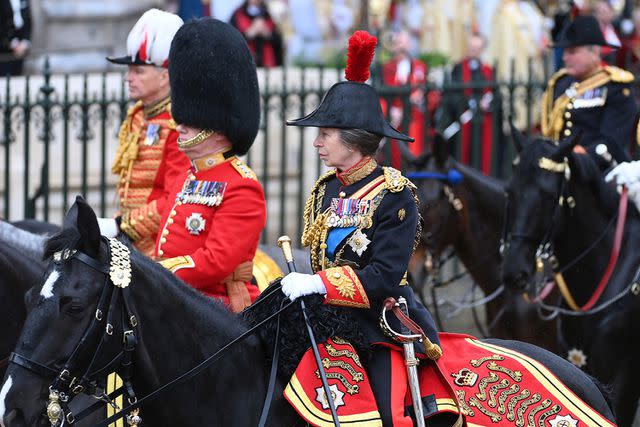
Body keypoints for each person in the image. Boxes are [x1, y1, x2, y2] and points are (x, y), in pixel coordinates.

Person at [282, 30, 444, 426]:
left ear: (353, 140)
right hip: (323, 316)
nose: (317, 143)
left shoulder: (395, 193)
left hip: (378, 323)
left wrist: (321, 284)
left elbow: (385, 277)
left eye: (325, 134)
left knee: (388, 416)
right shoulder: (326, 189)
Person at [154, 18, 265, 313]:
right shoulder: (186, 176)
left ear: (217, 127)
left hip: (216, 310)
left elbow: (216, 262)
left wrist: (157, 274)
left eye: (192, 120)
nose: (182, 126)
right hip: (175, 298)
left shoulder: (242, 185)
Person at [98, 9, 190, 257]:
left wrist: (121, 225)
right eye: (128, 70)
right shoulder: (138, 114)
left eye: (138, 71)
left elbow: (174, 197)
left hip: (163, 245)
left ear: (164, 76)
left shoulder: (179, 123)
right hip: (132, 238)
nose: (128, 78)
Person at [541, 15, 637, 163]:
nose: (565, 58)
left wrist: (577, 157)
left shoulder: (616, 87)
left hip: (595, 171)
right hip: (559, 169)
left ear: (594, 52)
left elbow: (611, 143)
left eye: (572, 52)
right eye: (565, 51)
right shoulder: (560, 82)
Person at [437, 32, 499, 175]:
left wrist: (487, 104)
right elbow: (451, 95)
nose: (473, 51)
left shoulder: (488, 71)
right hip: (463, 122)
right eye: (471, 47)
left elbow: (496, 97)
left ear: (482, 49)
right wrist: (471, 102)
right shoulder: (458, 69)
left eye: (477, 48)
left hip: (482, 123)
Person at [379, 30, 434, 168]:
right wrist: (391, 110)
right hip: (394, 121)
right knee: (393, 159)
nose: (400, 47)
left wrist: (420, 98)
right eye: (397, 43)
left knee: (413, 157)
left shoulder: (420, 67)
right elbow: (381, 94)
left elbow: (430, 95)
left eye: (403, 43)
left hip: (414, 119)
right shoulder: (387, 68)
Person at [230, 0, 283, 67]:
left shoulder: (269, 15)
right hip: (244, 65)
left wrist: (268, 34)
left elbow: (279, 41)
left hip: (267, 67)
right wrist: (250, 33)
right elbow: (231, 40)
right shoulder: (238, 14)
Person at [0, 0, 31, 76]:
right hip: (5, 49)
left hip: (21, 49)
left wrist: (25, 42)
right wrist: (13, 44)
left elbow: (28, 21)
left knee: (17, 78)